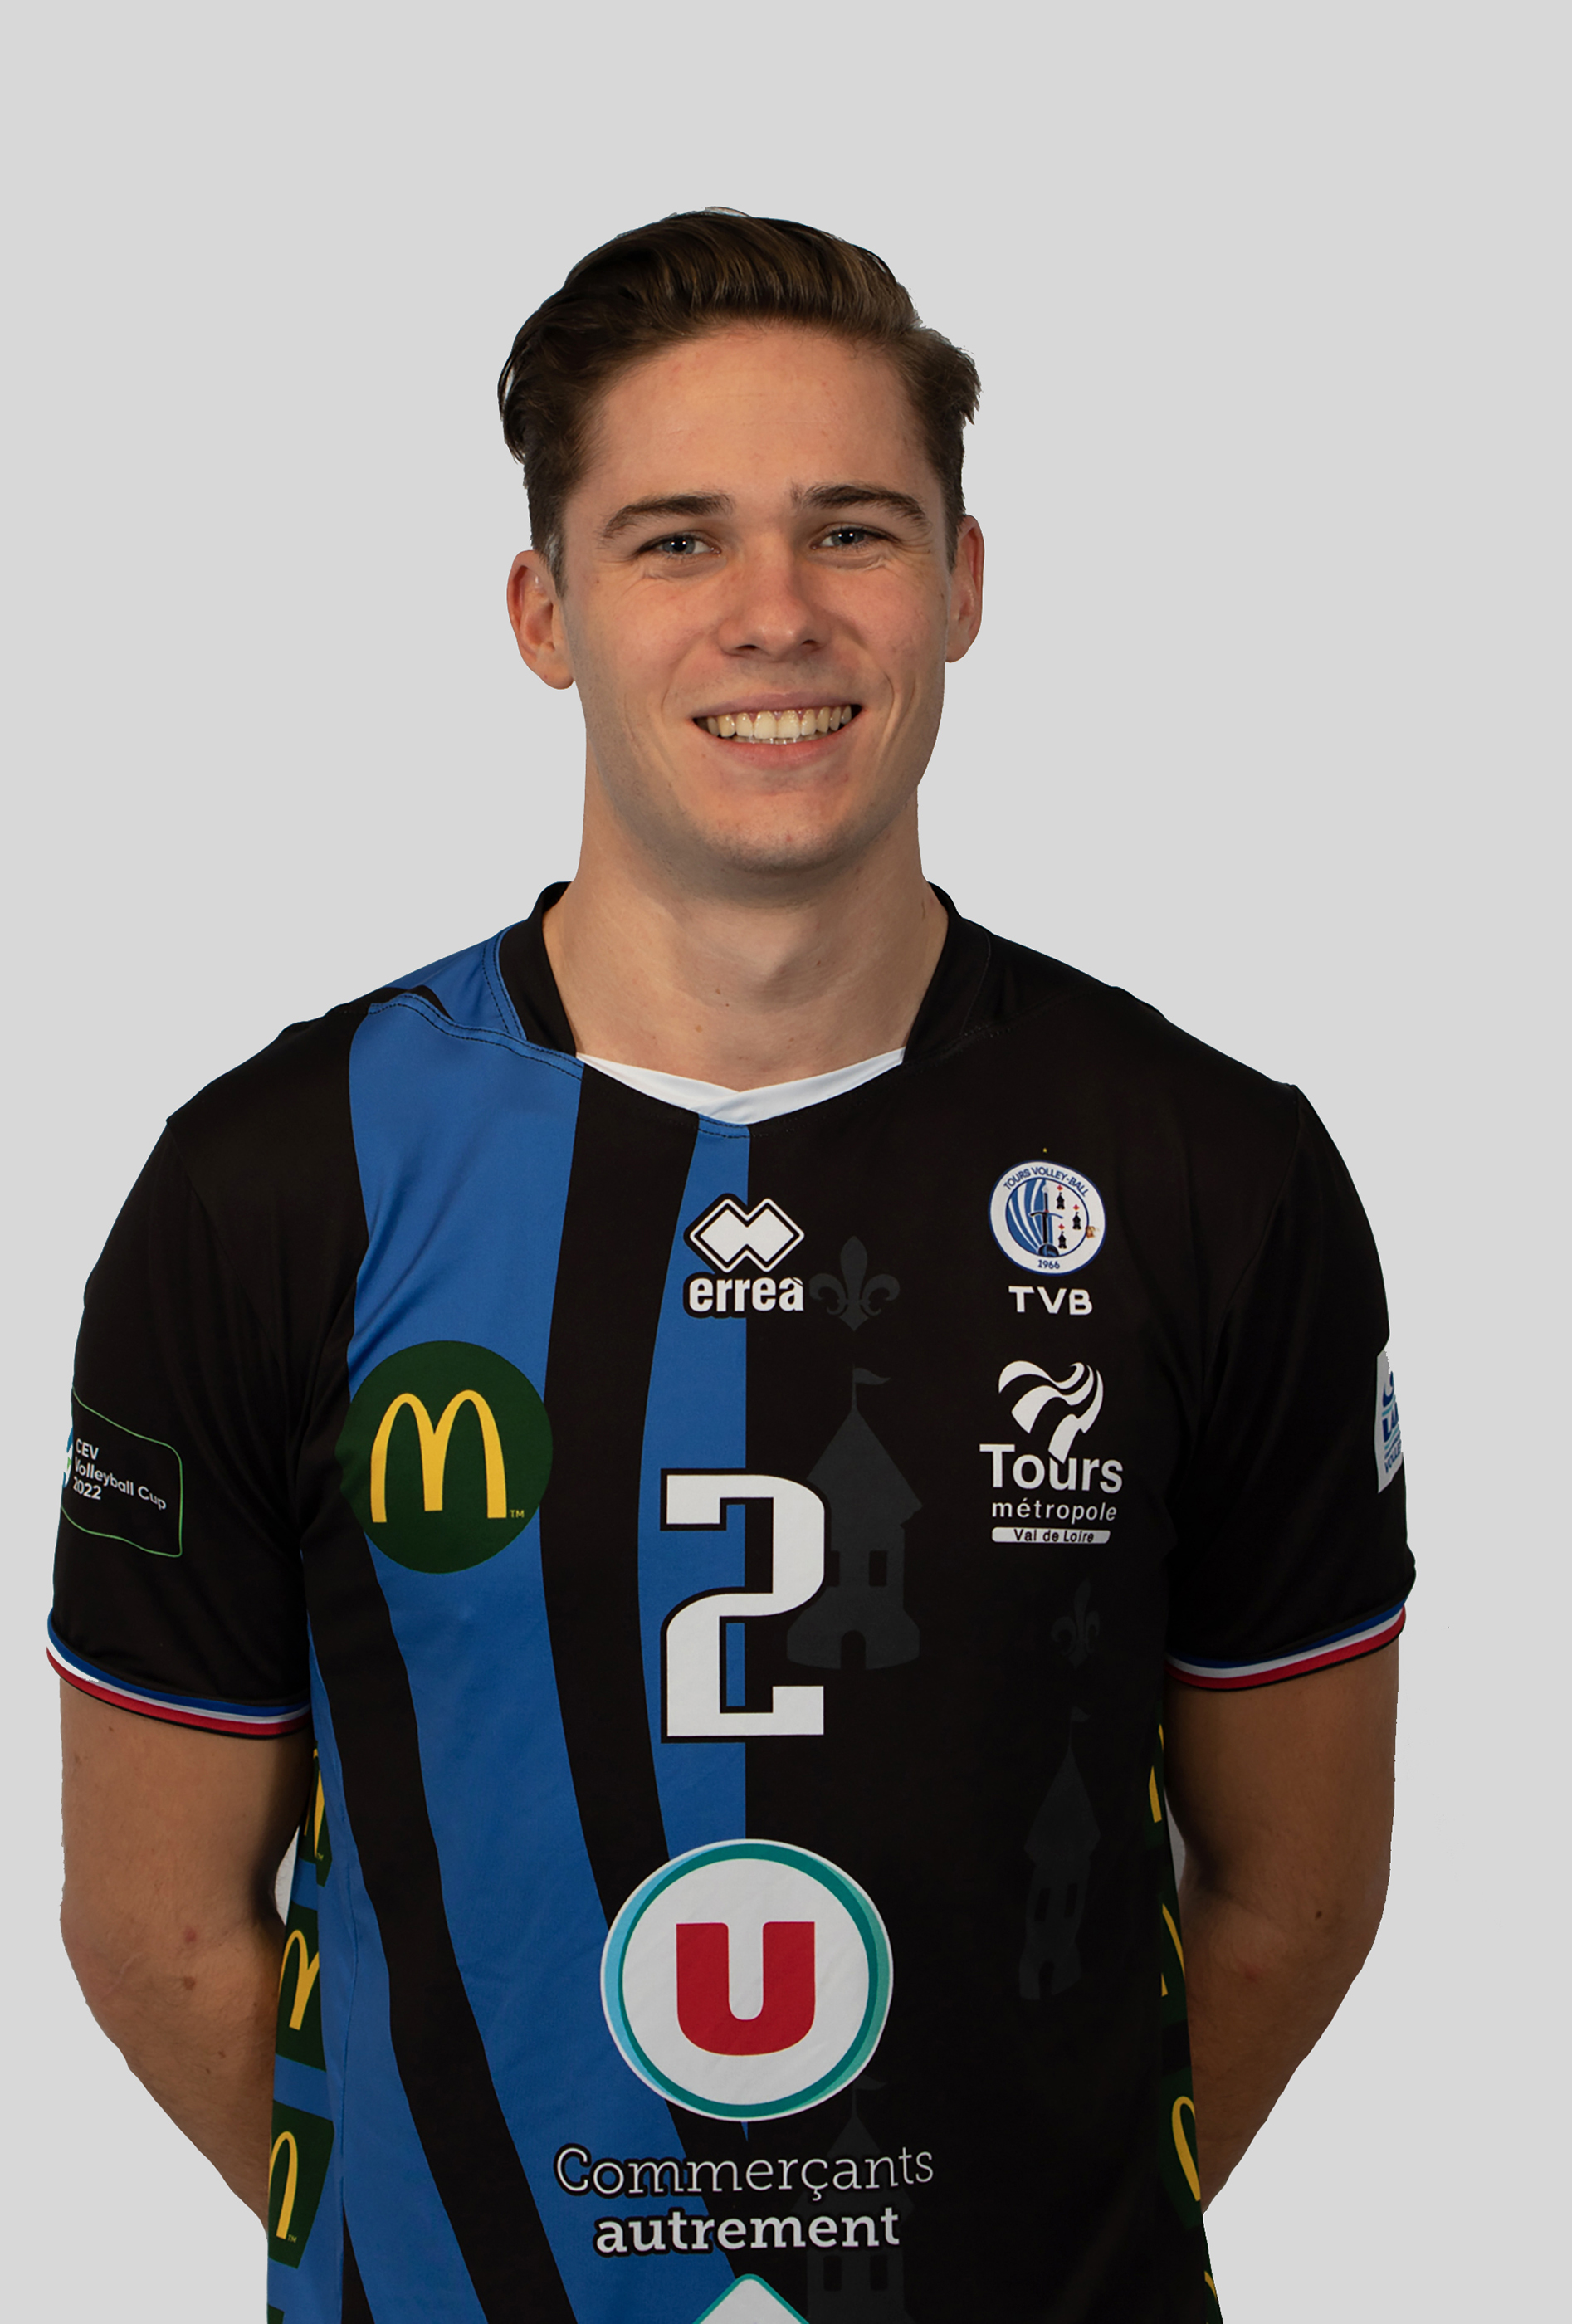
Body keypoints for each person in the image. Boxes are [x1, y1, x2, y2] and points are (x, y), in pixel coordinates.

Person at [52, 211, 1412, 2324]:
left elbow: (1289, 1895)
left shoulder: (1209, 1171)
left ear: (960, 585)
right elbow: (158, 1926)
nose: (775, 612)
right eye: (675, 539)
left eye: (852, 530)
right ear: (544, 611)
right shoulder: (278, 1183)